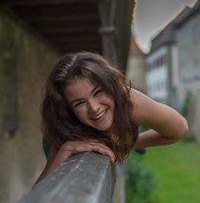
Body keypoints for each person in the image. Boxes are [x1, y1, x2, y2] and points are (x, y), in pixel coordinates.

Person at [33, 51, 188, 187]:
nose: (94, 108)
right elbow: (39, 193)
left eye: (98, 92)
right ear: (68, 109)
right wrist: (65, 150)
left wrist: (122, 145)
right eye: (79, 103)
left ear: (111, 86)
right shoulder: (63, 123)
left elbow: (179, 129)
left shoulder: (131, 102)